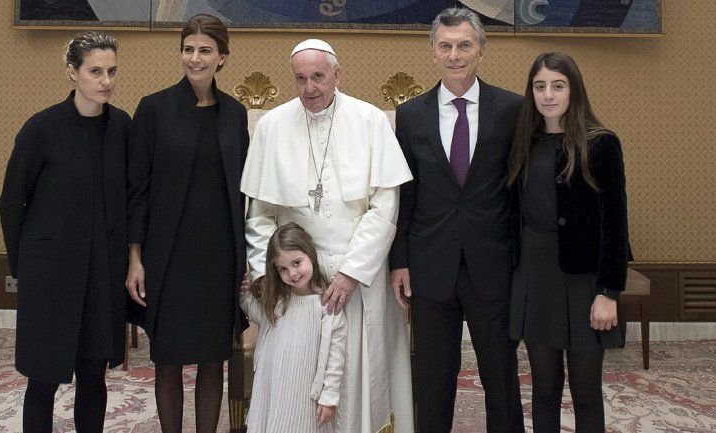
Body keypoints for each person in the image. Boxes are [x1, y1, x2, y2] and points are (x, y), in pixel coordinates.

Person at [240, 39, 415, 433]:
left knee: (359, 377)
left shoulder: (370, 121)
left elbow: (385, 207)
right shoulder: (272, 126)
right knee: (298, 386)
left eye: (318, 77)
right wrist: (270, 277)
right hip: (297, 286)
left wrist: (351, 272)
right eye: (300, 79)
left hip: (359, 279)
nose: (309, 88)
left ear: (338, 75)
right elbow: (260, 215)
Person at [389, 7, 525, 433]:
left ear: (481, 50)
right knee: (432, 381)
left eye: (464, 45)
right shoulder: (411, 115)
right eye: (445, 46)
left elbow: (519, 193)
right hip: (430, 267)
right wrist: (399, 260)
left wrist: (523, 263)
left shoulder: (512, 109)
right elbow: (404, 195)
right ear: (433, 52)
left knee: (501, 379)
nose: (454, 55)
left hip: (494, 265)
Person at [0, 31, 130, 433]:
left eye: (111, 71)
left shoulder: (122, 127)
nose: (105, 81)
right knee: (43, 380)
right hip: (50, 277)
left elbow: (132, 198)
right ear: (73, 72)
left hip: (101, 276)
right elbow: (11, 203)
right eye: (95, 71)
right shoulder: (41, 129)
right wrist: (25, 268)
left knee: (94, 376)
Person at [124, 14, 249, 433]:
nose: (195, 58)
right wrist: (135, 257)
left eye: (205, 50)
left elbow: (244, 192)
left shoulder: (234, 114)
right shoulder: (153, 109)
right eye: (188, 49)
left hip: (219, 258)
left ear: (222, 58)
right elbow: (137, 190)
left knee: (214, 359)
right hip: (167, 256)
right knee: (168, 360)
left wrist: (247, 260)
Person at [506, 52, 630, 433]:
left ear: (573, 90)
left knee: (586, 391)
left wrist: (608, 292)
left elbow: (615, 224)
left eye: (558, 86)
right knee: (544, 388)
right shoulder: (523, 143)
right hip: (535, 277)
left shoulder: (601, 144)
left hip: (585, 282)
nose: (548, 95)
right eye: (540, 86)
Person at [240, 222, 347, 433]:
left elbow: (335, 357)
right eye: (283, 269)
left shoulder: (327, 306)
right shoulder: (278, 301)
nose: (292, 273)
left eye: (297, 263)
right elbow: (258, 314)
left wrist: (329, 398)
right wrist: (244, 295)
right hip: (273, 386)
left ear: (310, 255)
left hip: (304, 393)